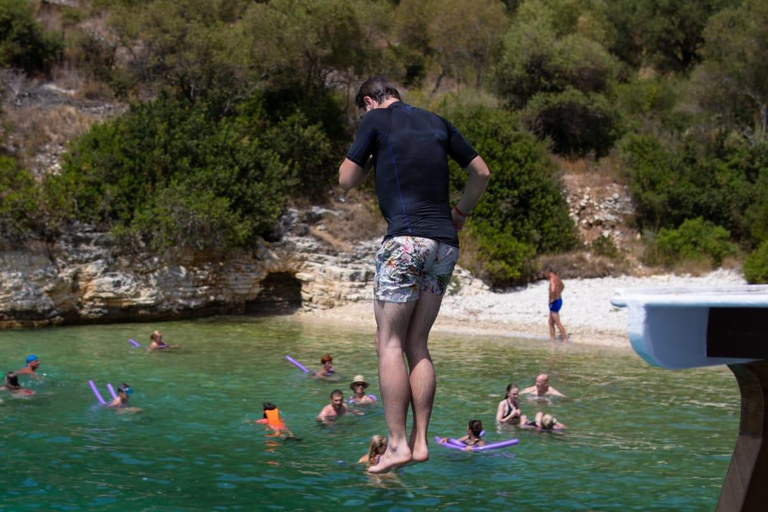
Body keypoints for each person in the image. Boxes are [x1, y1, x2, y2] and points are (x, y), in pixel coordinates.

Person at [339, 76, 491, 473]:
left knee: (387, 342)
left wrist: (371, 155)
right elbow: (481, 173)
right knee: (417, 343)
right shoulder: (437, 122)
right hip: (444, 245)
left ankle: (396, 445)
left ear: (370, 101)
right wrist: (460, 213)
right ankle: (421, 442)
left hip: (405, 242)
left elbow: (346, 180)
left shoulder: (375, 121)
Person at [544, 265, 568, 343]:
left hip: (555, 302)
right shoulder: (557, 278)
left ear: (548, 272)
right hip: (559, 300)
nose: (545, 275)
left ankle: (565, 339)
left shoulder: (552, 280)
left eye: (545, 273)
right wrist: (559, 293)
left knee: (557, 321)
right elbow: (563, 286)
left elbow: (553, 290)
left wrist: (551, 299)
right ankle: (552, 339)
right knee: (550, 321)